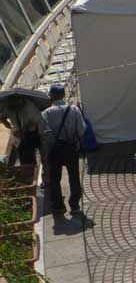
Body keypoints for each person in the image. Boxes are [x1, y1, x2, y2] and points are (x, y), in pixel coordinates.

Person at [40, 84, 84, 215]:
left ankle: (59, 206)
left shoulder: (45, 113)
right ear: (64, 95)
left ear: (51, 96)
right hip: (71, 147)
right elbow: (82, 130)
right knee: (74, 177)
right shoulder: (74, 109)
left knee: (55, 179)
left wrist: (47, 151)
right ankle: (74, 205)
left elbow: (44, 135)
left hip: (54, 150)